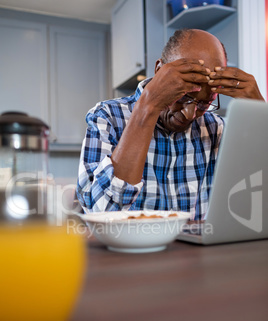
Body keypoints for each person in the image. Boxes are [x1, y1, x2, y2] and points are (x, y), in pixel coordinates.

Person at [77, 29, 264, 220]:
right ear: (159, 70)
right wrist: (148, 107)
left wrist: (260, 118)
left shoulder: (217, 130)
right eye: (183, 97)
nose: (189, 114)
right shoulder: (107, 117)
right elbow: (100, 214)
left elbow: (256, 204)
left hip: (200, 249)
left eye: (204, 103)